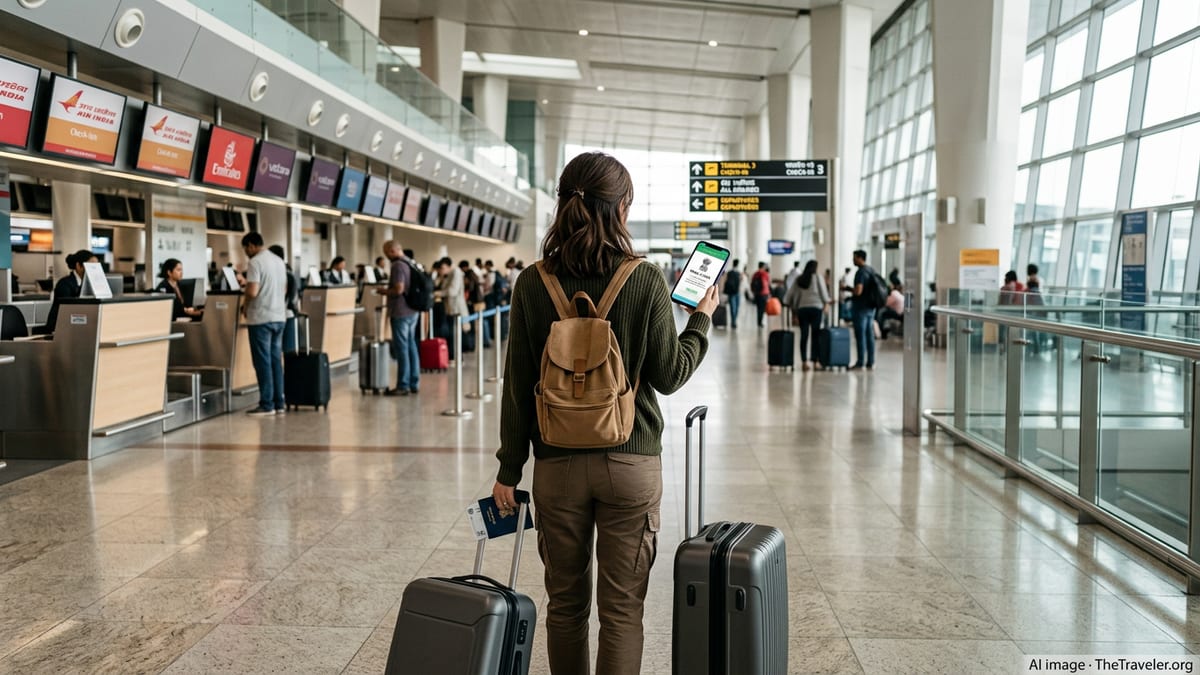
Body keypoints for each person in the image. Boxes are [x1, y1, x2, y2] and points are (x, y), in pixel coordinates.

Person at [491, 151, 715, 675]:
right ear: (621, 209)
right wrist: (700, 319)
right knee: (622, 612)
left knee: (565, 608)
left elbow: (518, 386)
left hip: (556, 465)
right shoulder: (645, 279)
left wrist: (508, 469)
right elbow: (669, 374)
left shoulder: (532, 282)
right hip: (630, 463)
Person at [241, 232, 288, 416]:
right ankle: (279, 403)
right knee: (276, 361)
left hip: (261, 318)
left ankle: (266, 404)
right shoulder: (278, 261)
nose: (246, 252)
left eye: (246, 248)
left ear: (252, 245)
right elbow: (284, 289)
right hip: (279, 317)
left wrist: (245, 304)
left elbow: (252, 291)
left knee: (263, 362)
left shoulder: (255, 262)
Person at [377, 241, 420, 396]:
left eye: (386, 252)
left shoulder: (397, 266)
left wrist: (384, 291)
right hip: (413, 310)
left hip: (401, 312)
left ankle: (403, 384)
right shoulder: (410, 262)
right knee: (411, 346)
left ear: (392, 250)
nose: (386, 256)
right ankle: (414, 382)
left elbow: (399, 289)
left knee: (402, 348)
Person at [784, 260, 831, 370]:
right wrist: (827, 302)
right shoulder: (817, 277)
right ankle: (815, 361)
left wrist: (789, 304)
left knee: (804, 336)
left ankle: (804, 361)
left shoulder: (799, 279)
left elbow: (790, 294)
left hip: (802, 309)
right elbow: (824, 294)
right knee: (815, 335)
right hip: (816, 309)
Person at [43, 250, 97, 333]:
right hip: (59, 329)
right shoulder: (64, 284)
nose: (94, 270)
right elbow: (68, 311)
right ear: (79, 265)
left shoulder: (90, 284)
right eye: (91, 266)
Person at [267, 245, 301, 352]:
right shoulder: (287, 272)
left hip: (283, 315)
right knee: (286, 351)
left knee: (284, 351)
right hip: (288, 314)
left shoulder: (280, 273)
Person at [850, 250, 878, 370]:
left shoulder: (860, 272)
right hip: (871, 307)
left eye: (855, 258)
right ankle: (871, 361)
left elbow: (858, 290)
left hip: (860, 307)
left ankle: (860, 361)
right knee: (869, 335)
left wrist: (848, 289)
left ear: (860, 258)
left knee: (860, 335)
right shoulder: (871, 270)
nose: (853, 260)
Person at [722, 259, 742, 329]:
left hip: (733, 293)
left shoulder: (730, 272)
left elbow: (725, 282)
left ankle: (734, 321)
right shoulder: (738, 273)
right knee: (735, 308)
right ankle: (733, 322)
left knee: (734, 308)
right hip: (735, 293)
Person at [751, 262, 771, 327]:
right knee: (762, 309)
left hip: (757, 294)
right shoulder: (765, 274)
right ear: (763, 266)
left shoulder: (755, 274)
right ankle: (760, 322)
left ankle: (758, 321)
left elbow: (752, 283)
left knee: (758, 308)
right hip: (763, 294)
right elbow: (767, 284)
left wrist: (754, 292)